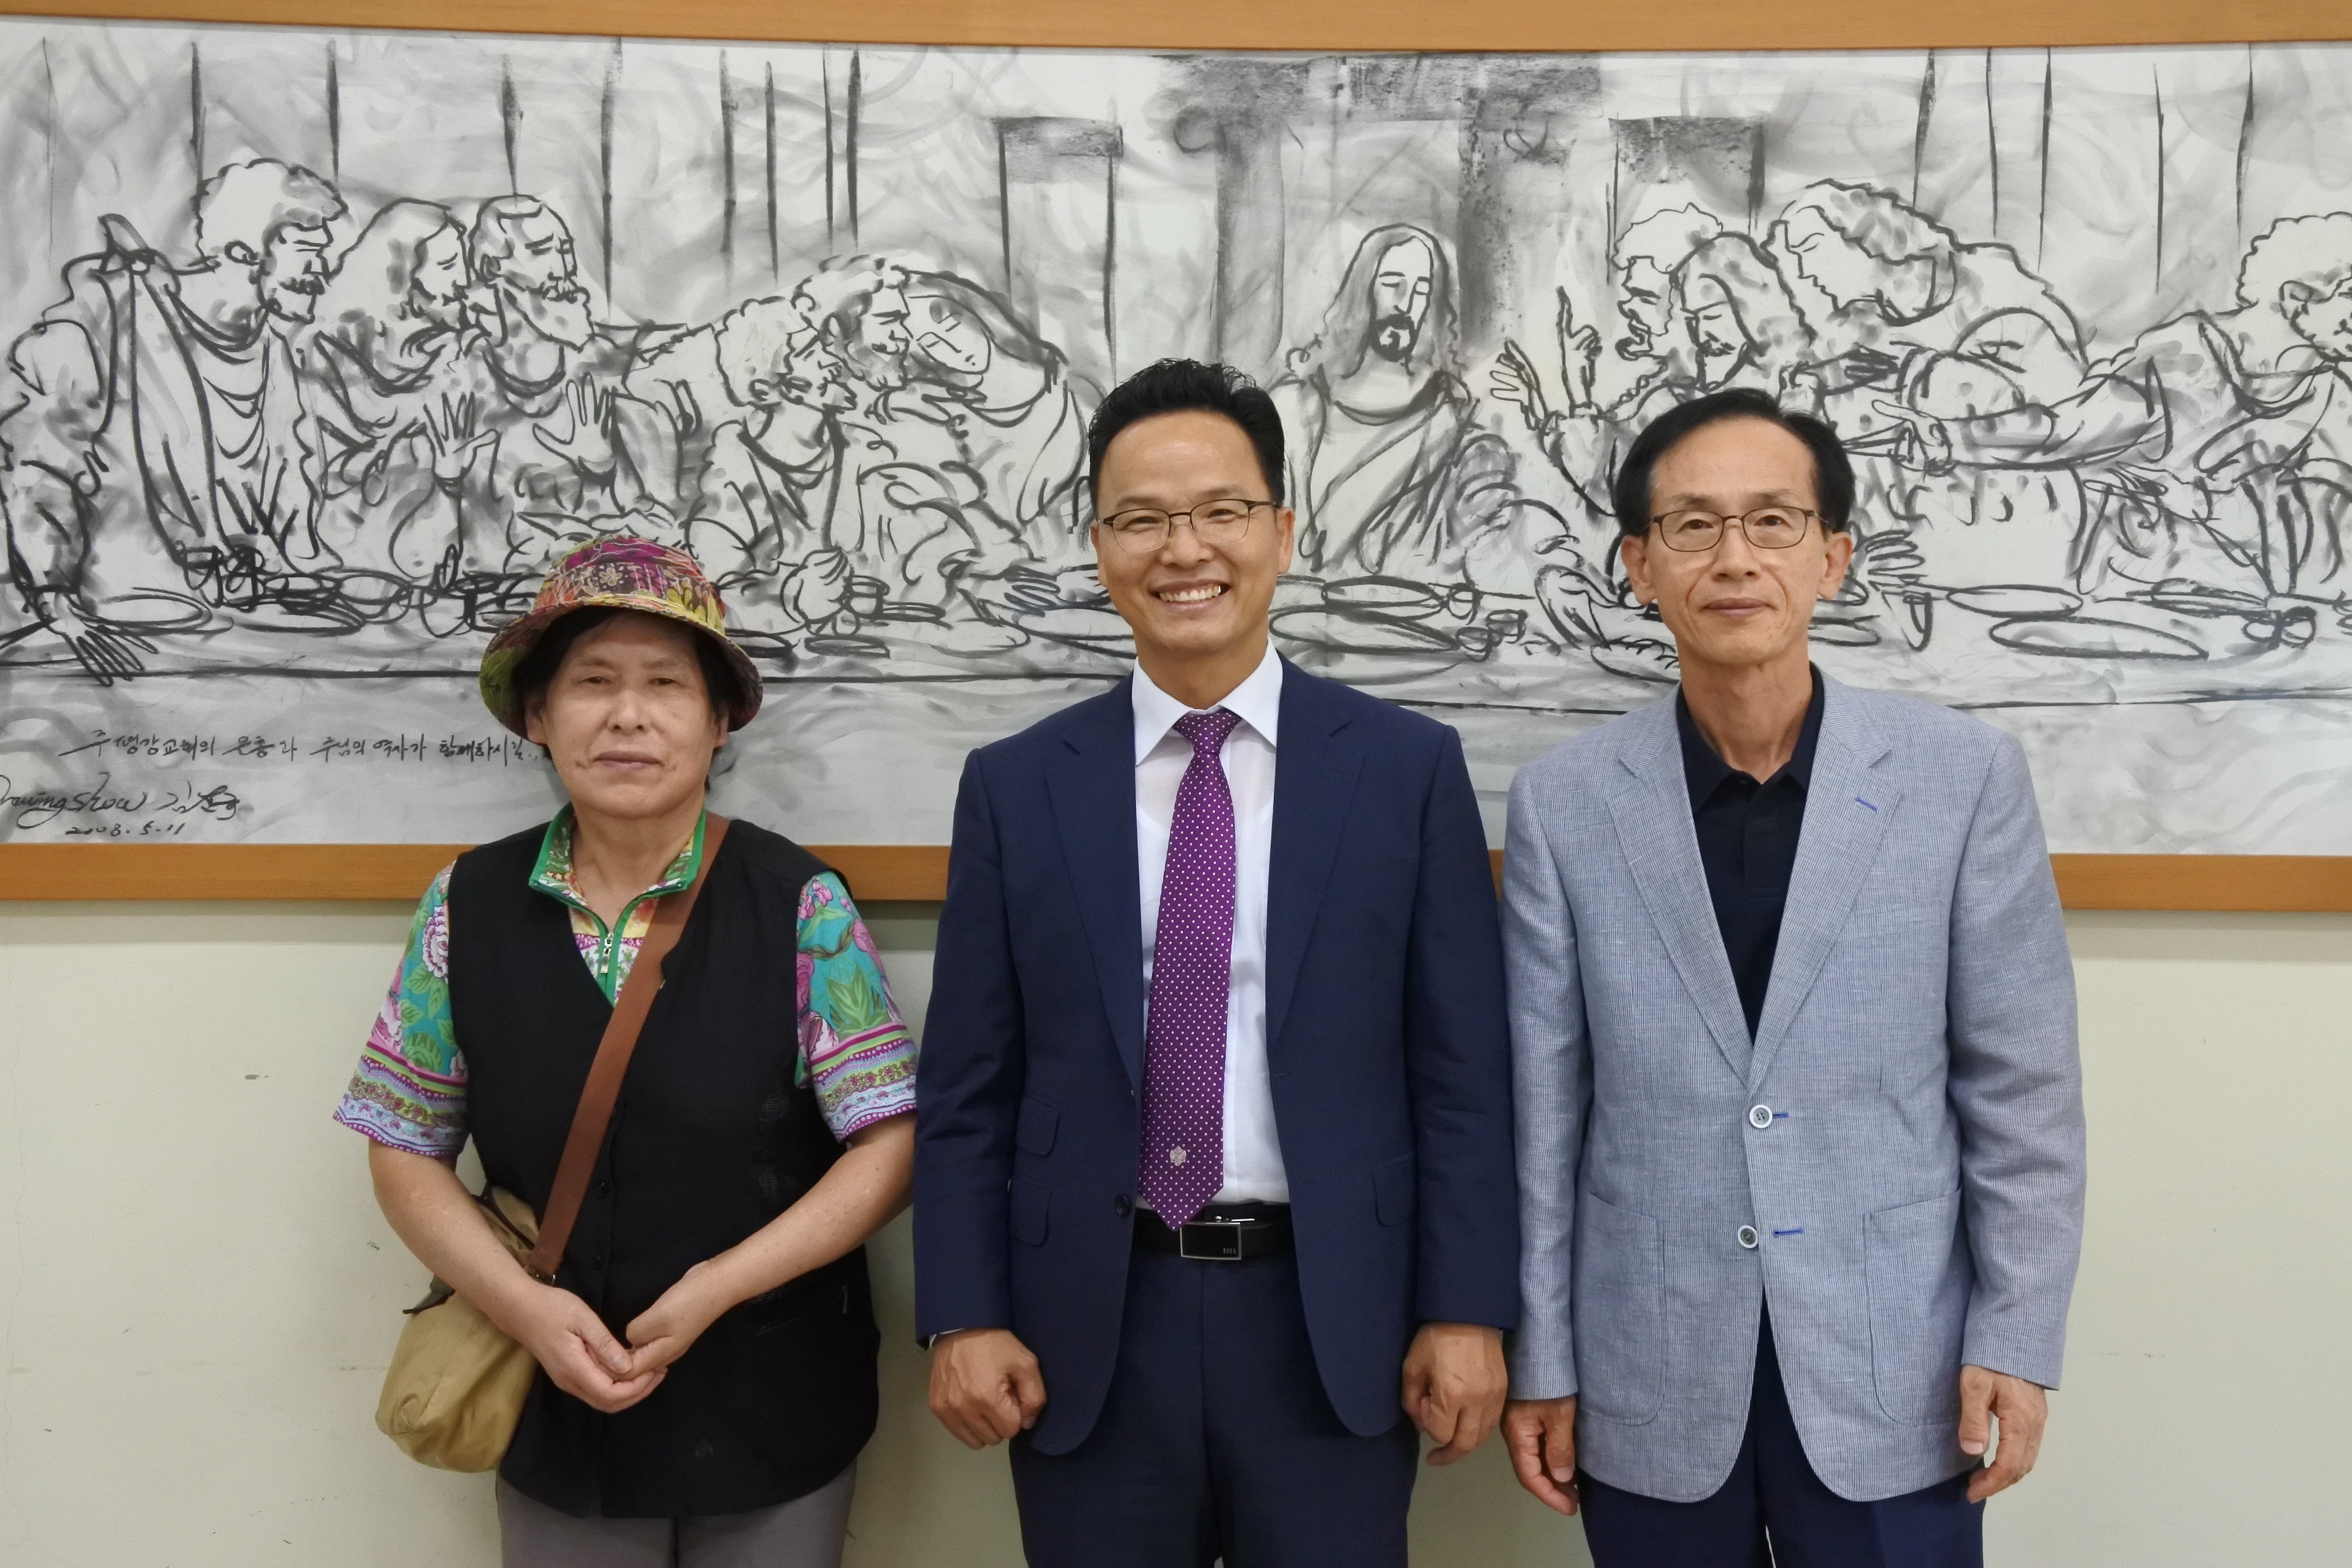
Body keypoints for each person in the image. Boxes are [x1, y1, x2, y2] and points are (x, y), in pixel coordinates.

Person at [914, 358, 1518, 1567]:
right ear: (1099, 546)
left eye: (1221, 512)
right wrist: (963, 1312)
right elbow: (969, 1085)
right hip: (1091, 1319)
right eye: (1141, 518)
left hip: (1330, 1316)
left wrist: (1467, 1307)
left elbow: (1462, 1074)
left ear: (1281, 532)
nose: (1183, 549)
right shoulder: (1018, 786)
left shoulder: (1404, 770)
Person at [1500, 388, 2086, 1566]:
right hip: (1650, 1363)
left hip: (1898, 1367)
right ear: (1640, 565)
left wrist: (2016, 1336)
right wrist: (1544, 1356)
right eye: (1693, 526)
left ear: (1833, 557)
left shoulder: (1960, 779)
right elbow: (1544, 1114)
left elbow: (2022, 1091)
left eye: (1773, 521)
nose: (1735, 558)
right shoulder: (1565, 803)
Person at [332, 533, 917, 1565]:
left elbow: (889, 1147)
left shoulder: (800, 903)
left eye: (666, 684)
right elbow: (402, 1147)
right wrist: (525, 1309)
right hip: (554, 1401)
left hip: (774, 1394)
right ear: (538, 715)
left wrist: (718, 1285)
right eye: (593, 682)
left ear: (719, 719)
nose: (628, 715)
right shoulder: (466, 903)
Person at [0, 158, 345, 675]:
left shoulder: (273, 352)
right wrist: (54, 598)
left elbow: (289, 480)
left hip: (230, 628)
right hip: (113, 629)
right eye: (308, 255)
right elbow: (39, 471)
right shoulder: (107, 323)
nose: (323, 274)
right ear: (242, 252)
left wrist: (287, 564)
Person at [302, 199, 495, 590]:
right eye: (448, 266)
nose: (464, 281)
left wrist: (449, 475)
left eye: (463, 264)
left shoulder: (459, 361)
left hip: (438, 562)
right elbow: (335, 500)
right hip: (356, 567)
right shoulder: (332, 361)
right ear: (401, 279)